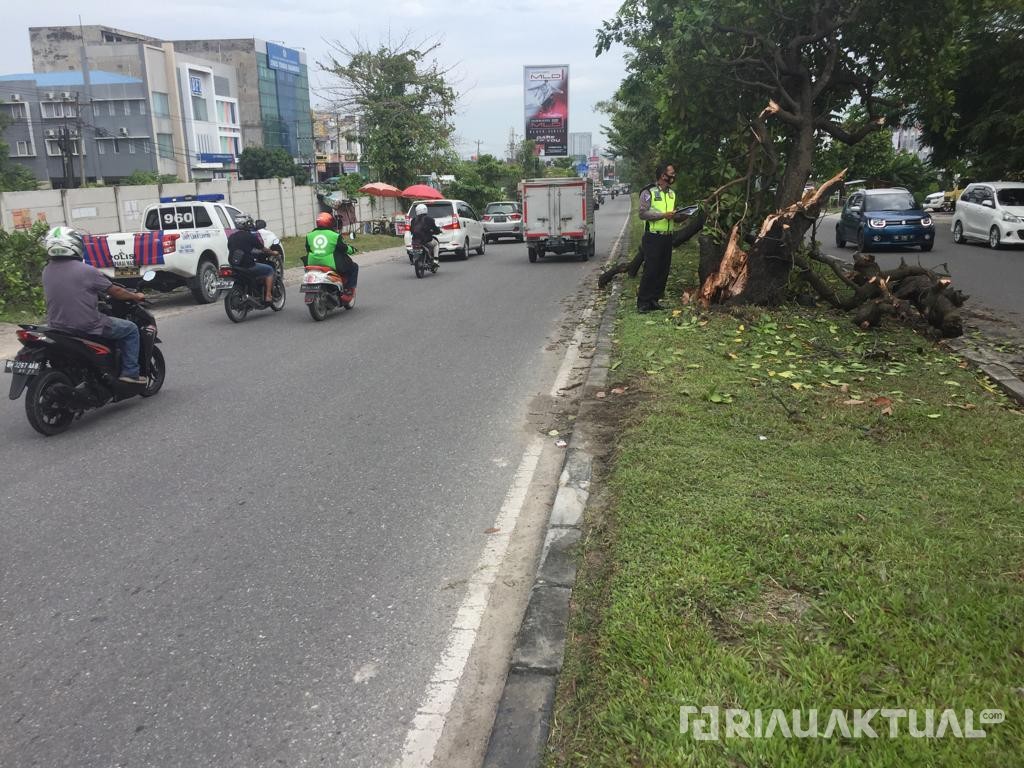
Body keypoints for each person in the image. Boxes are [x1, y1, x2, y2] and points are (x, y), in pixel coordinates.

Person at [41, 226, 147, 384]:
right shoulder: (86, 270)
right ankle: (130, 373)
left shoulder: (46, 270)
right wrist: (135, 296)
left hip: (57, 326)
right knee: (131, 329)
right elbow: (116, 291)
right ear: (75, 245)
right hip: (87, 325)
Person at [636, 163, 678, 313]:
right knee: (651, 270)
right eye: (671, 173)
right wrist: (662, 215)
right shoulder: (649, 192)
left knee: (663, 270)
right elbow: (642, 213)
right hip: (653, 237)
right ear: (663, 175)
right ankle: (643, 302)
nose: (674, 175)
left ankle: (654, 299)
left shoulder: (671, 194)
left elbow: (672, 215)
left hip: (667, 237)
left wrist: (681, 215)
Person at [304, 212, 359, 300]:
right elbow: (344, 248)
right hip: (329, 263)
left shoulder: (309, 235)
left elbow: (308, 249)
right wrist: (352, 250)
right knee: (354, 267)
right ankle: (349, 290)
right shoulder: (335, 235)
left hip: (312, 262)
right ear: (330, 223)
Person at [228, 215, 276, 304]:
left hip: (234, 265)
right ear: (247, 224)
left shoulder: (231, 237)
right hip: (247, 265)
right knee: (269, 270)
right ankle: (268, 295)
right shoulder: (250, 236)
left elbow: (233, 248)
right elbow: (263, 248)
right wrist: (273, 252)